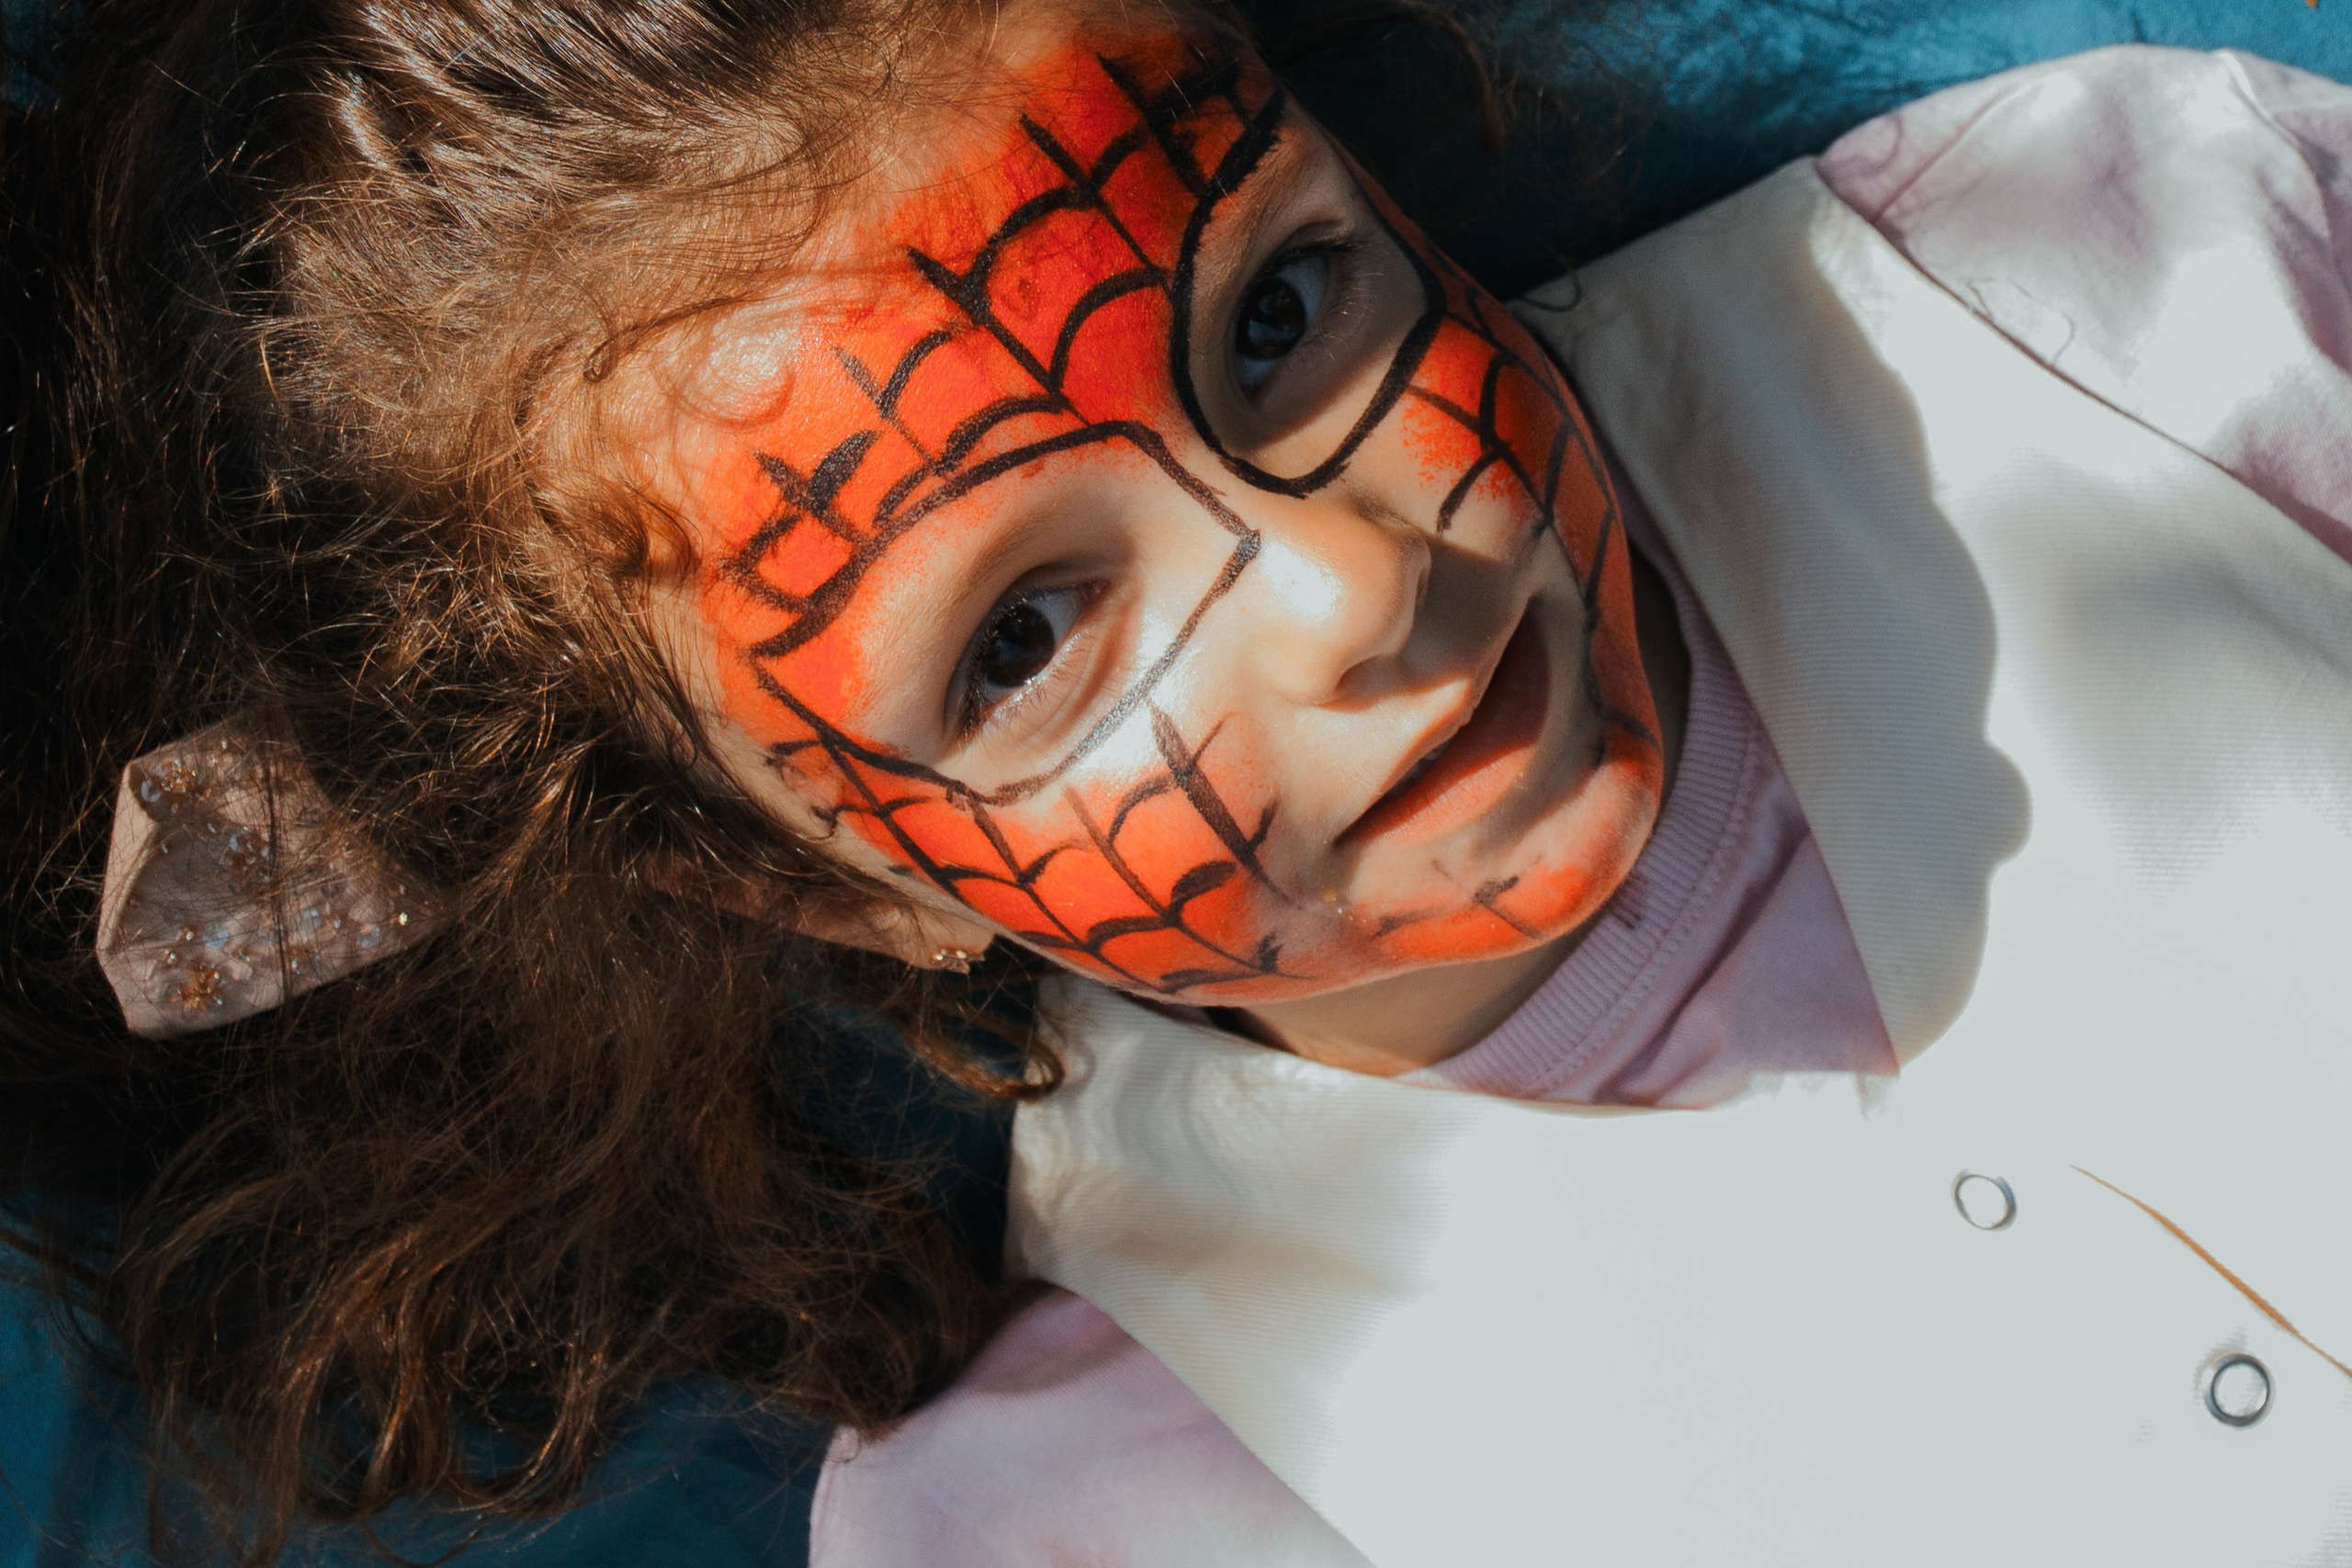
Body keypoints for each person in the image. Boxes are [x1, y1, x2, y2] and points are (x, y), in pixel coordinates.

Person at [3, 0, 2348, 1562]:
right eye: (1020, 637)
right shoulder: (1076, 1507)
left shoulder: (2086, 289)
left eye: (1275, 313)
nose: (1351, 585)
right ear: (810, 884)